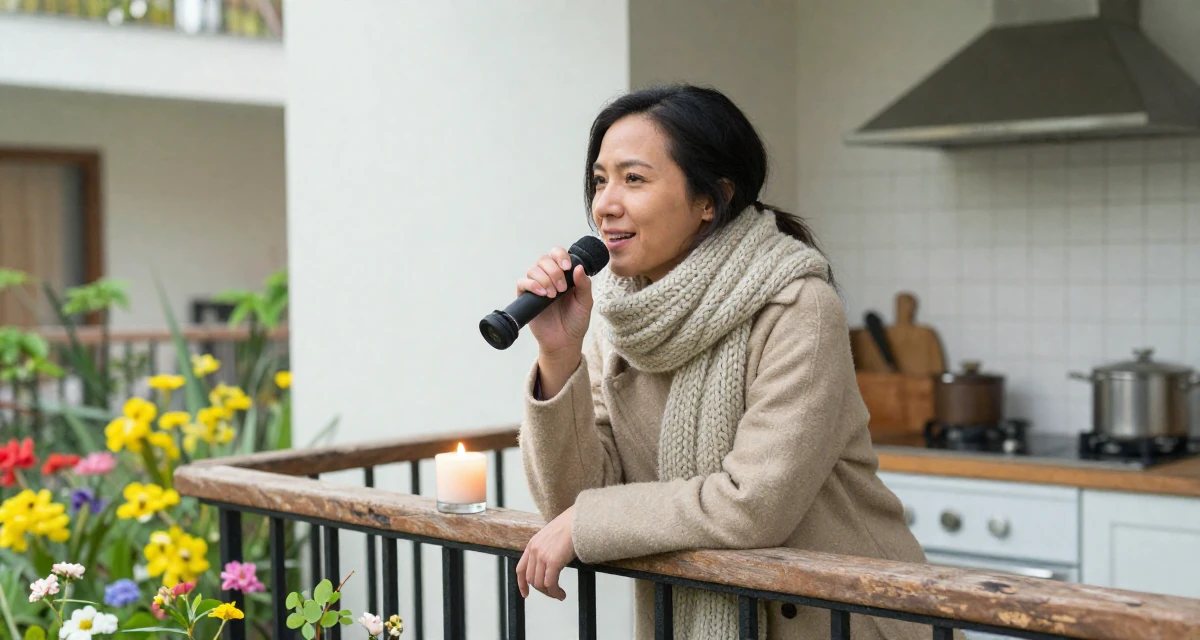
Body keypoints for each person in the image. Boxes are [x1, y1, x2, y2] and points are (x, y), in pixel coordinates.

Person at [513, 84, 934, 640]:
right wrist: (559, 353)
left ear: (710, 200)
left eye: (633, 179)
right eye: (600, 180)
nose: (605, 204)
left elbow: (753, 504)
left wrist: (590, 523)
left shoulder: (797, 307)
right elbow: (572, 500)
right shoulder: (617, 319)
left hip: (843, 619)